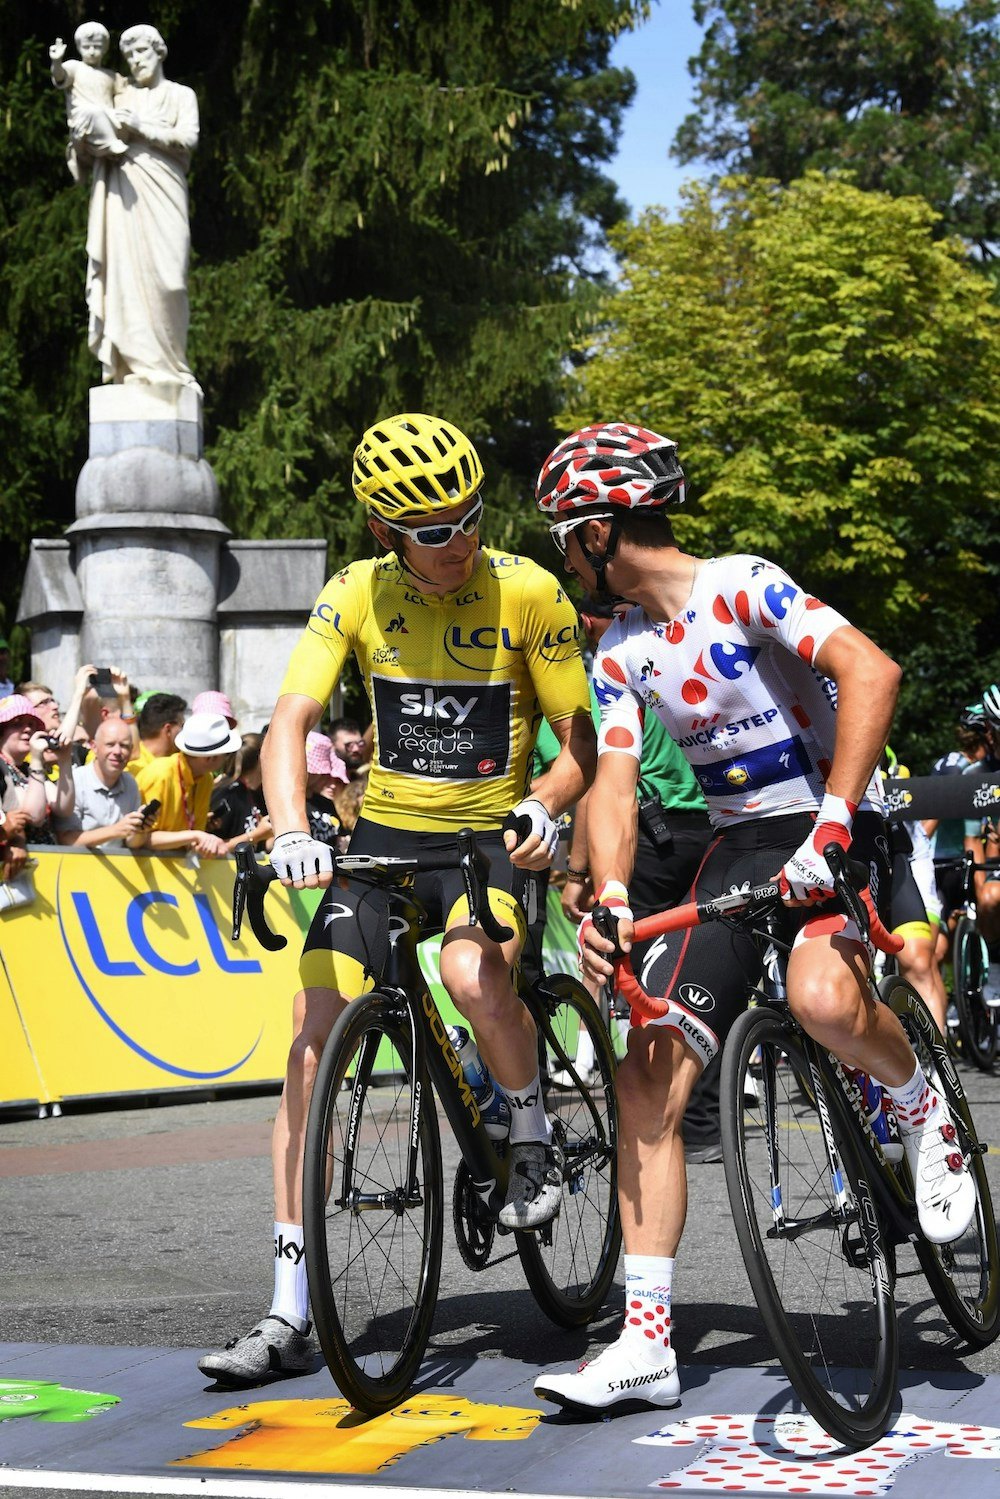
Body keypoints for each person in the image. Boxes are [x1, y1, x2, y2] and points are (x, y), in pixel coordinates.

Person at [529, 422, 977, 1415]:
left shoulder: (739, 582)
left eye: (565, 538)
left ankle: (920, 1107)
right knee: (650, 1069)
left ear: (599, 533)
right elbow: (609, 781)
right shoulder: (621, 650)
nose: (563, 559)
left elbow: (873, 669)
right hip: (736, 845)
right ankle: (644, 1344)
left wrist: (832, 818)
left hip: (830, 814)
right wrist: (608, 890)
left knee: (823, 997)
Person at [198, 412, 596, 1386]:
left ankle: (531, 1126)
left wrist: (547, 806)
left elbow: (579, 737)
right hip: (385, 840)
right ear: (383, 530)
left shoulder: (528, 590)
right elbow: (290, 718)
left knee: (470, 968)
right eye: (430, 529)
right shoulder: (355, 593)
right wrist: (291, 827)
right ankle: (290, 1307)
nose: (457, 540)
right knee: (308, 1028)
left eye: (468, 516)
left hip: (491, 833)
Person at [85, 24, 200, 388]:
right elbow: (93, 136)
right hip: (125, 193)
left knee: (170, 281)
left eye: (142, 52)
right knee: (127, 280)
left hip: (164, 188)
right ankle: (135, 367)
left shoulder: (181, 95)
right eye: (130, 55)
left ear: (159, 52)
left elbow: (188, 138)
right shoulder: (121, 97)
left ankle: (173, 365)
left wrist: (141, 127)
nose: (136, 61)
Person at [135, 710, 238, 859]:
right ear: (210, 758)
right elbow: (142, 839)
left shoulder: (206, 779)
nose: (226, 759)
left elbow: (194, 835)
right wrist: (195, 836)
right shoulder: (160, 774)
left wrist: (202, 840)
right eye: (226, 754)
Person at [56, 718, 149, 852]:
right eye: (110, 744)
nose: (117, 752)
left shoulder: (130, 783)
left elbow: (132, 843)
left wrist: (140, 830)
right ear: (94, 747)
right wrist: (116, 831)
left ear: (131, 750)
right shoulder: (75, 781)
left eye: (124, 746)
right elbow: (66, 840)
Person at [49, 23, 127, 183]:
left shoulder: (111, 76)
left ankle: (111, 142)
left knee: (108, 114)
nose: (92, 51)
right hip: (82, 120)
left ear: (105, 48)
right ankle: (110, 143)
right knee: (93, 112)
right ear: (79, 47)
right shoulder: (75, 67)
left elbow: (125, 95)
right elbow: (60, 77)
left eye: (97, 47)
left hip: (108, 118)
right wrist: (56, 62)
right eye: (87, 47)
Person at [207, 732, 272, 849]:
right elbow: (214, 848)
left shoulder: (260, 793)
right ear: (262, 760)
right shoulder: (226, 794)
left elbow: (263, 845)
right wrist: (256, 835)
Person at [128, 692, 187, 776]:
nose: (184, 731)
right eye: (182, 726)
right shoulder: (133, 767)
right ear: (168, 730)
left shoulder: (182, 764)